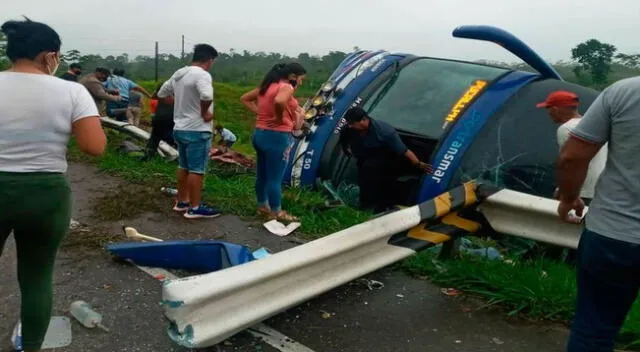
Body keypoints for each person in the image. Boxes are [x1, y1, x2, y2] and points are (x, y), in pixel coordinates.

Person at [0, 18, 107, 352]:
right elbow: (94, 147)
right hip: (46, 196)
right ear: (49, 56)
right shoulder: (72, 91)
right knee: (36, 278)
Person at [556, 76, 640, 352]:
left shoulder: (624, 92)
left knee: (594, 329)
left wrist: (568, 198)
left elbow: (573, 156)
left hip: (612, 234)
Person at [157, 44, 221, 219]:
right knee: (197, 170)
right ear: (210, 60)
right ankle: (195, 207)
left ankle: (182, 201)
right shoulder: (202, 75)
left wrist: (178, 105)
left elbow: (162, 94)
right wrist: (204, 112)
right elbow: (207, 96)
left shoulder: (179, 74)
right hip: (197, 129)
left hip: (180, 128)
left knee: (183, 166)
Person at [240, 63, 306, 222]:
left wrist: (261, 114)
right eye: (301, 79)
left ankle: (263, 206)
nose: (301, 82)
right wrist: (277, 118)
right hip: (277, 137)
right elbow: (279, 102)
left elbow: (244, 99)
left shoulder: (266, 86)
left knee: (262, 175)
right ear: (292, 77)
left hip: (260, 134)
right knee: (275, 178)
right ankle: (276, 212)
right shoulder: (286, 87)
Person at [339, 107, 433, 213]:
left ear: (363, 120)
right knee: (364, 181)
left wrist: (418, 163)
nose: (350, 126)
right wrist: (348, 150)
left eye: (352, 123)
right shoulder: (350, 129)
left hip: (381, 158)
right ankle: (365, 203)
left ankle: (382, 204)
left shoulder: (384, 131)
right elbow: (344, 139)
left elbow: (404, 150)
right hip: (363, 158)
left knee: (379, 180)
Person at [536, 90, 607, 205]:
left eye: (548, 109)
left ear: (555, 110)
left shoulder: (566, 129)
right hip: (602, 190)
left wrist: (564, 191)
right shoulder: (592, 125)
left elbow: (570, 162)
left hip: (583, 192)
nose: (548, 113)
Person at [143, 81, 175, 161]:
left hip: (158, 119)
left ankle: (148, 156)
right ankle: (173, 155)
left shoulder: (158, 94)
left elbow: (153, 96)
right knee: (173, 139)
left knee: (154, 139)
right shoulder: (169, 95)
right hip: (168, 119)